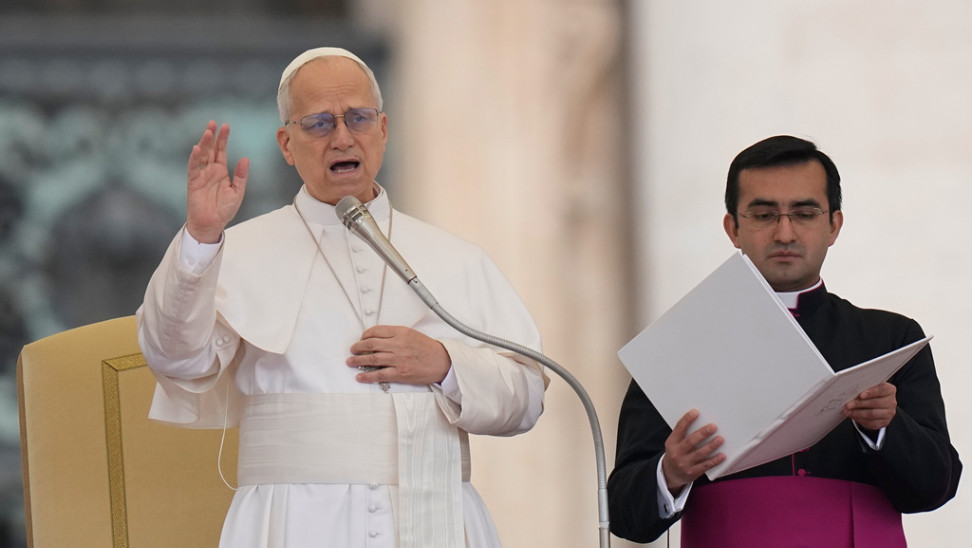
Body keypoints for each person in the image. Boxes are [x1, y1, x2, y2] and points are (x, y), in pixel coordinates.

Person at [137, 47, 547, 548]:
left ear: (383, 130)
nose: (342, 137)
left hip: (437, 516)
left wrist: (445, 364)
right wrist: (201, 237)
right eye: (319, 123)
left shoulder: (457, 259)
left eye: (358, 118)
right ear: (286, 144)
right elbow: (175, 360)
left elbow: (526, 398)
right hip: (291, 523)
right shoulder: (236, 253)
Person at [608, 135, 961, 546]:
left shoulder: (891, 339)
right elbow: (622, 512)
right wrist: (671, 472)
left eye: (805, 212)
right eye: (763, 215)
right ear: (733, 228)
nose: (785, 232)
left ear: (834, 225)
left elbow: (936, 488)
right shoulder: (676, 347)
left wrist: (887, 427)